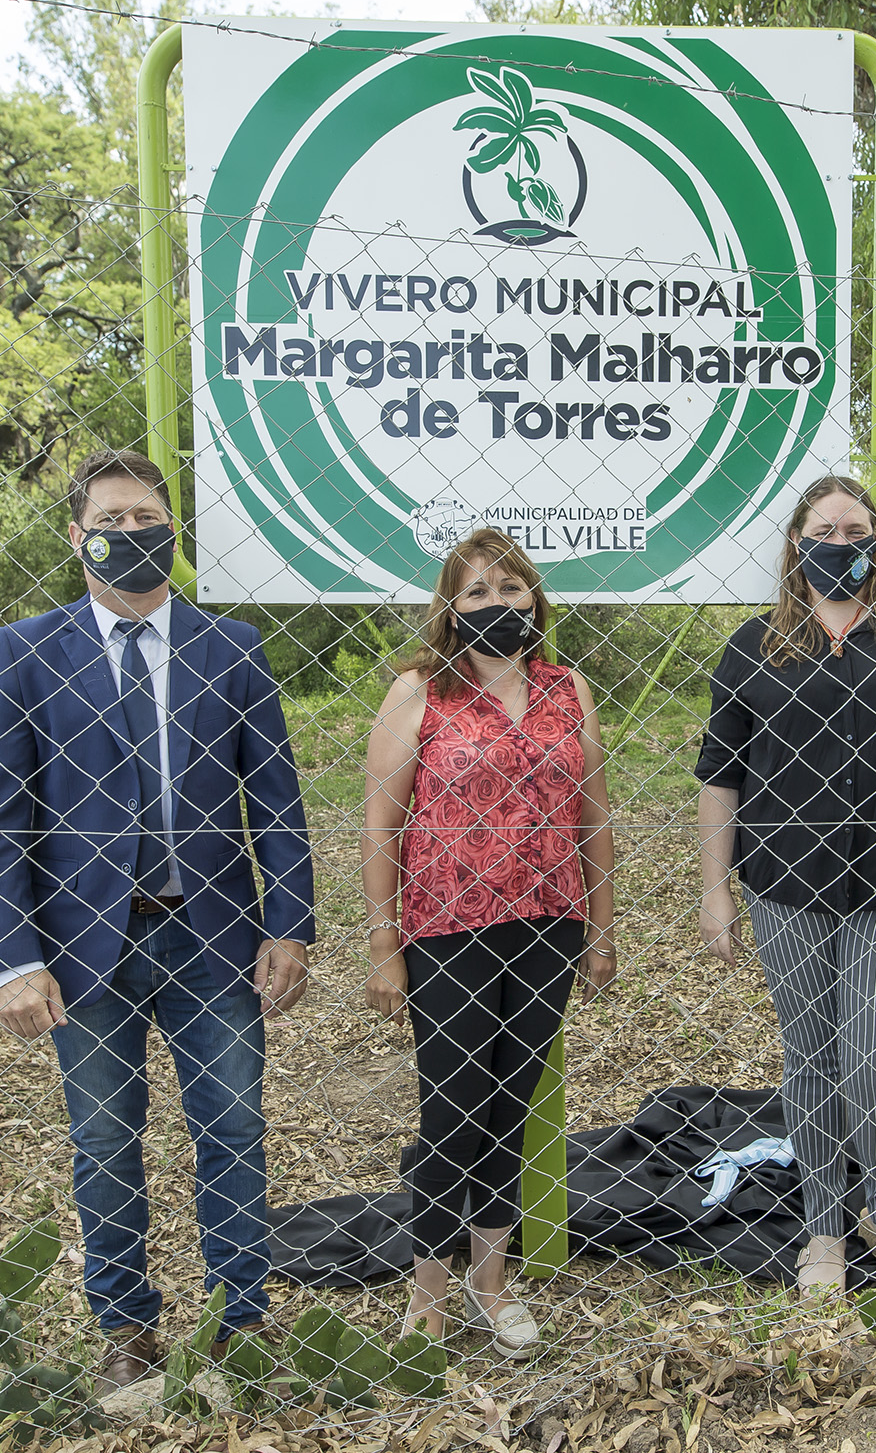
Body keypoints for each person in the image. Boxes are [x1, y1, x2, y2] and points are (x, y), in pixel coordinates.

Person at [0, 449, 314, 1393]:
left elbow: (275, 805)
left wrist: (289, 924)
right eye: (110, 521)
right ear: (76, 537)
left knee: (233, 1128)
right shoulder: (27, 651)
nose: (130, 534)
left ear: (172, 531)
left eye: (146, 519)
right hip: (84, 946)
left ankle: (242, 1319)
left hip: (212, 933)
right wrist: (11, 960)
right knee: (106, 1141)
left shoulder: (231, 648)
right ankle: (125, 1326)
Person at [695, 475, 876, 1298]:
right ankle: (824, 1224)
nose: (840, 544)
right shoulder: (754, 646)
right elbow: (719, 778)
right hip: (783, 884)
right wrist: (714, 891)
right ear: (796, 544)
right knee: (811, 1058)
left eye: (856, 531)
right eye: (823, 531)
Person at [362, 527, 616, 1356]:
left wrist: (602, 929)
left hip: (550, 924)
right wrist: (384, 944)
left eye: (511, 588)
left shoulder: (566, 688)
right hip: (448, 929)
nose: (496, 603)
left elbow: (593, 816)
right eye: (476, 591)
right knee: (454, 1109)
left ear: (534, 598)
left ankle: (491, 1283)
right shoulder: (418, 691)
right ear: (450, 607)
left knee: (512, 1106)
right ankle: (427, 1295)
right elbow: (380, 824)